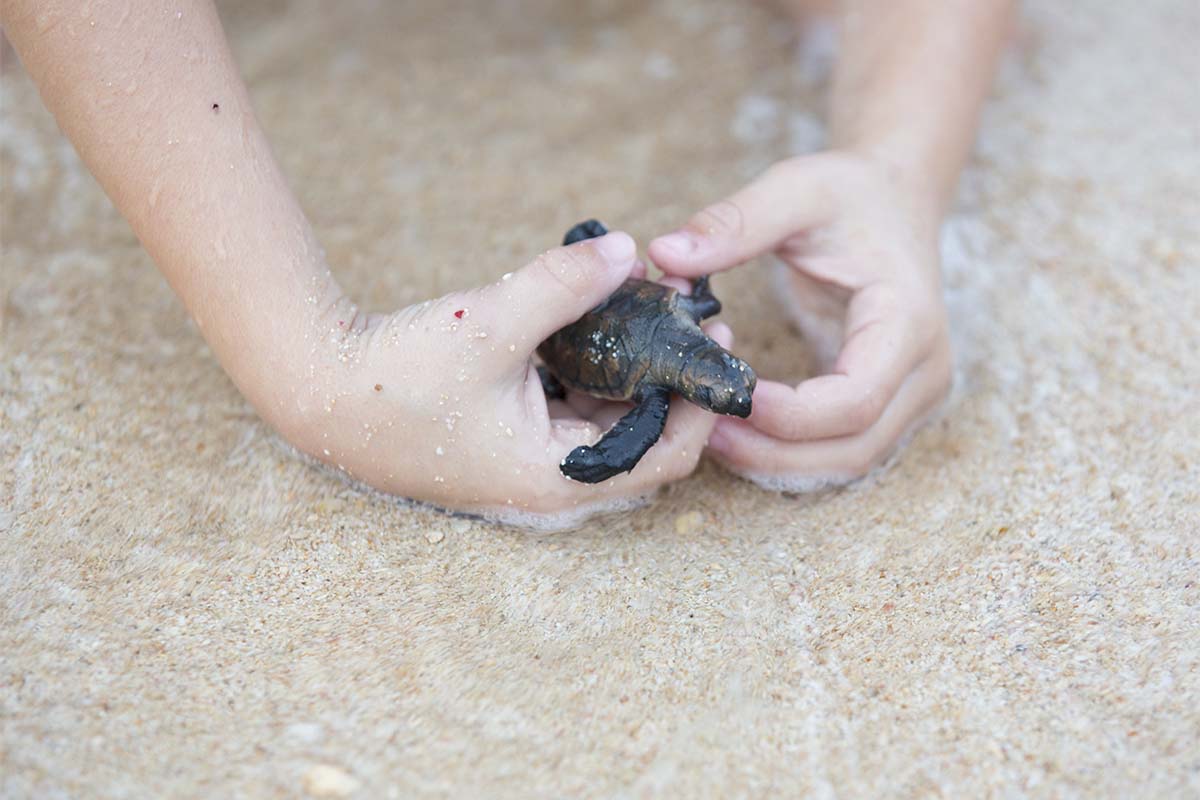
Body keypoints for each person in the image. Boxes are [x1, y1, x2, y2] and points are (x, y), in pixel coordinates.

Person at [0, 0, 1013, 520]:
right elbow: (629, 421)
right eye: (730, 389)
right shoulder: (665, 375)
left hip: (626, 320)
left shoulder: (692, 331)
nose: (732, 390)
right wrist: (313, 367)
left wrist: (896, 169)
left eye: (732, 388)